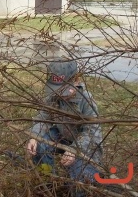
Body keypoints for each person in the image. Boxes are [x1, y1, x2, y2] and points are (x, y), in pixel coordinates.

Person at [26, 59, 103, 197]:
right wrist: (34, 137)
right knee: (40, 147)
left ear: (75, 81)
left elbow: (92, 133)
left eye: (63, 89)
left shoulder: (86, 101)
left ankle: (81, 186)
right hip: (62, 136)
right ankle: (49, 180)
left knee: (80, 177)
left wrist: (75, 149)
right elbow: (44, 117)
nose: (59, 94)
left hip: (85, 147)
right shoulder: (53, 97)